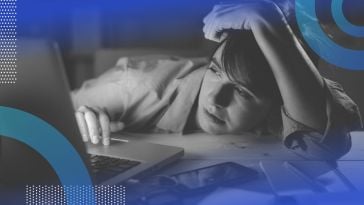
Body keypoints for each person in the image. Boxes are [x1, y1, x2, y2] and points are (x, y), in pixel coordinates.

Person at [71, 0, 362, 160]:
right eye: (214, 71)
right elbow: (45, 112)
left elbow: (326, 147)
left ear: (277, 100)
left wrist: (269, 24)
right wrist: (78, 118)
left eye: (243, 93)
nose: (214, 98)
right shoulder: (136, 86)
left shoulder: (296, 93)